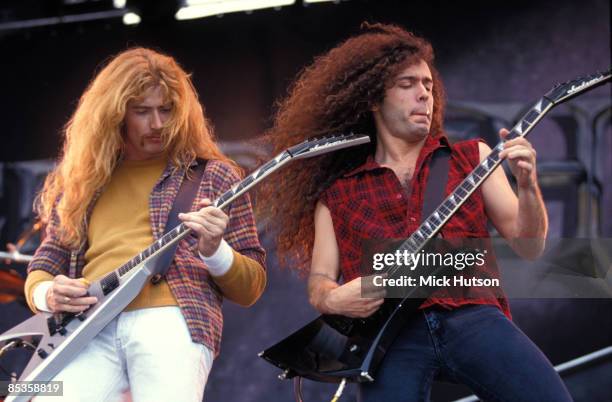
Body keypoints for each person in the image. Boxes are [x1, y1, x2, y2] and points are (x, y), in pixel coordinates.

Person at [259, 23, 572, 401]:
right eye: (407, 84)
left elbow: (530, 246)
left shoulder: (472, 158)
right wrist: (332, 298)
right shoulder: (338, 194)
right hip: (391, 339)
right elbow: (320, 281)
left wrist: (527, 184)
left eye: (427, 85)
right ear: (373, 98)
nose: (424, 94)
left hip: (470, 313)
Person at [23, 47, 266, 402]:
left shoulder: (214, 175)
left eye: (167, 110)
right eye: (142, 111)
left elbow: (252, 286)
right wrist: (47, 294)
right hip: (87, 328)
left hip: (171, 317)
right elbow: (42, 267)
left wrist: (216, 251)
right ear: (115, 114)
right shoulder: (83, 182)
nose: (158, 124)